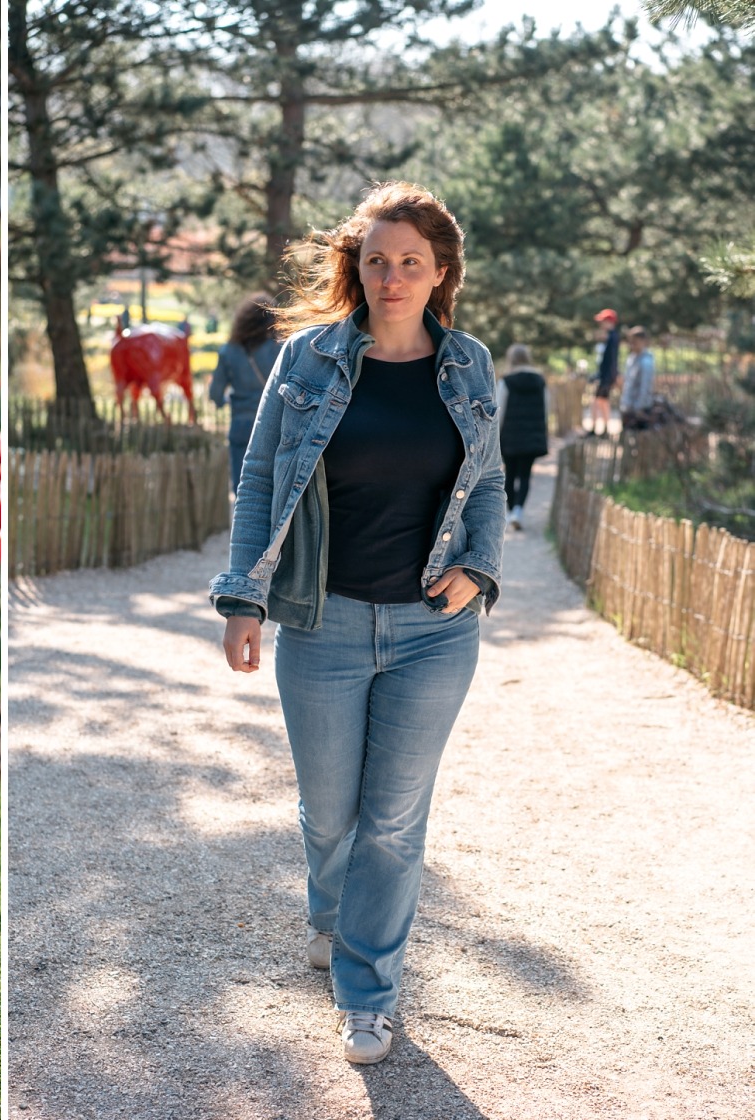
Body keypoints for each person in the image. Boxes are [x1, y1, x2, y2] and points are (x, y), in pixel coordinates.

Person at [208, 182, 504, 1066]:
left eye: (411, 260)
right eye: (376, 259)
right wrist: (242, 598)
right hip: (324, 622)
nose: (392, 274)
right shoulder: (306, 361)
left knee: (393, 819)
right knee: (330, 814)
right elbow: (261, 479)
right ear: (357, 267)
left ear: (440, 271)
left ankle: (367, 989)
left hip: (434, 629)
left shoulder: (471, 366)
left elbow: (486, 486)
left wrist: (479, 569)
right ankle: (333, 916)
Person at [209, 294, 280, 491]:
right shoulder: (280, 349)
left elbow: (215, 393)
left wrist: (223, 402)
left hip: (240, 423)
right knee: (272, 489)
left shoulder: (229, 351)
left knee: (242, 489)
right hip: (273, 426)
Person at [496, 343, 550, 531]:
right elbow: (546, 408)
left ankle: (512, 512)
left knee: (509, 474)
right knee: (526, 474)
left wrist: (496, 437)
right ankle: (518, 510)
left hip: (510, 437)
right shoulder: (540, 381)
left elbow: (498, 411)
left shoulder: (506, 381)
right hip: (532, 435)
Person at [589, 308, 620, 436]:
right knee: (601, 401)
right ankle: (602, 428)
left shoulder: (612, 338)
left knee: (599, 402)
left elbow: (611, 361)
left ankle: (599, 428)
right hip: (606, 375)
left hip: (606, 376)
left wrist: (608, 377)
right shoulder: (609, 337)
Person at [620, 326, 655, 429]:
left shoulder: (646, 362)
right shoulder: (631, 359)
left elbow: (645, 386)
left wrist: (639, 407)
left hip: (640, 409)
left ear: (643, 341)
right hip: (628, 407)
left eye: (635, 342)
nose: (632, 345)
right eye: (631, 342)